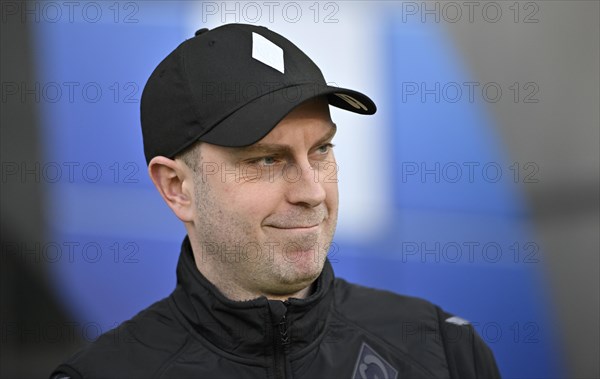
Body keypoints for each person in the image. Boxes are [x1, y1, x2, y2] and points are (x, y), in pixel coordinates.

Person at [51, 23, 501, 379]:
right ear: (177, 187)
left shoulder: (443, 350)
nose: (311, 191)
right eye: (267, 159)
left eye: (321, 149)